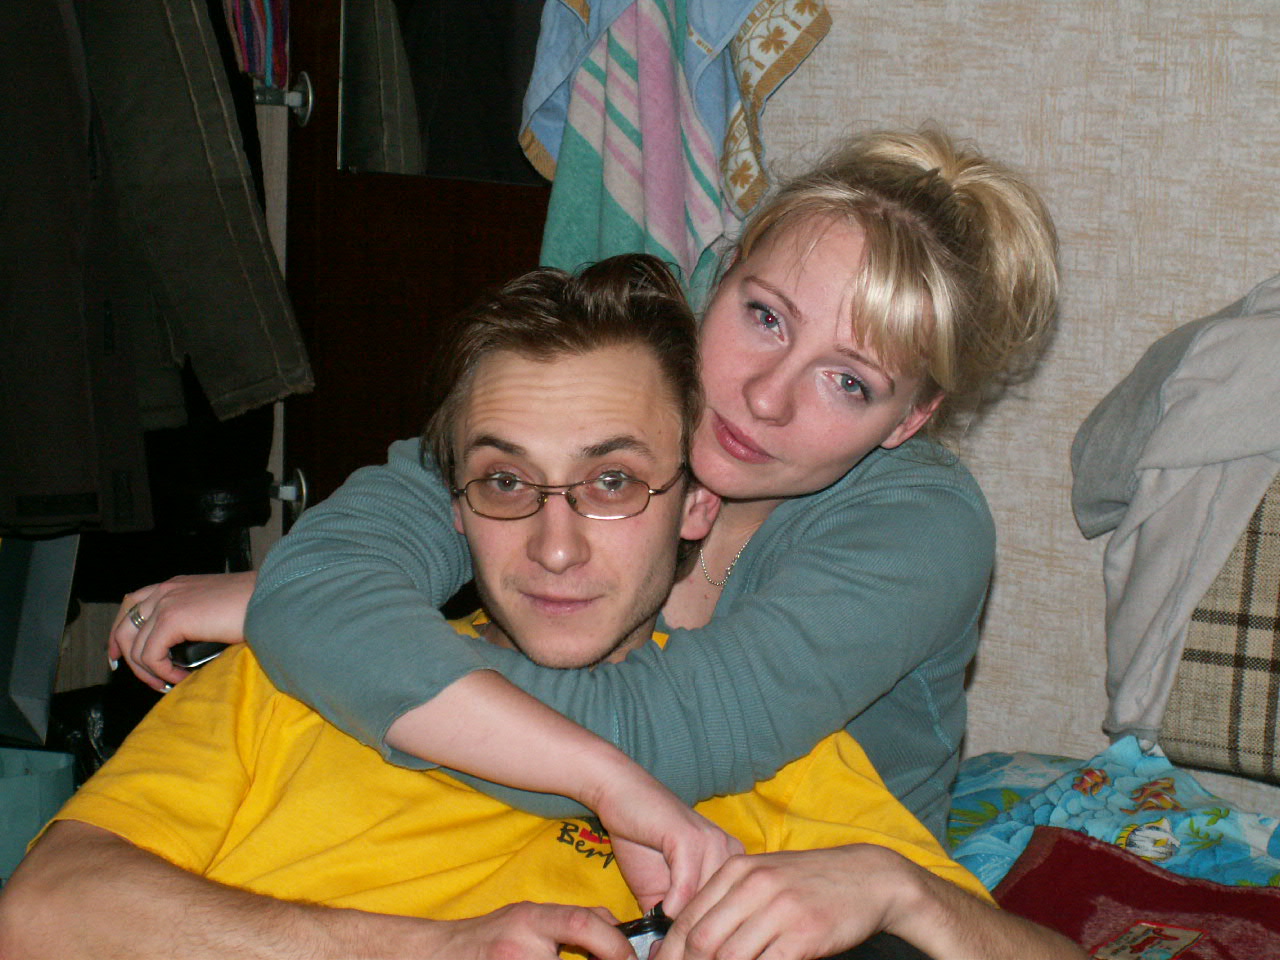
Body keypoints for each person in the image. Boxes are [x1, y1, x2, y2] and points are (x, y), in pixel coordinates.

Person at [0, 255, 1083, 960]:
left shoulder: (777, 754)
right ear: (453, 509)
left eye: (612, 483)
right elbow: (43, 911)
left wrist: (901, 892)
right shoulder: (282, 681)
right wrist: (422, 948)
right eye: (506, 482)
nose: (554, 547)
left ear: (695, 504)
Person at [111, 126, 1059, 850]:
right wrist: (315, 604)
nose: (766, 396)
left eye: (848, 381)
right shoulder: (631, 385)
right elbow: (369, 536)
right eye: (766, 317)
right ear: (720, 278)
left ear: (908, 420)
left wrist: (302, 620)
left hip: (819, 904)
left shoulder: (919, 528)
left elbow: (647, 741)